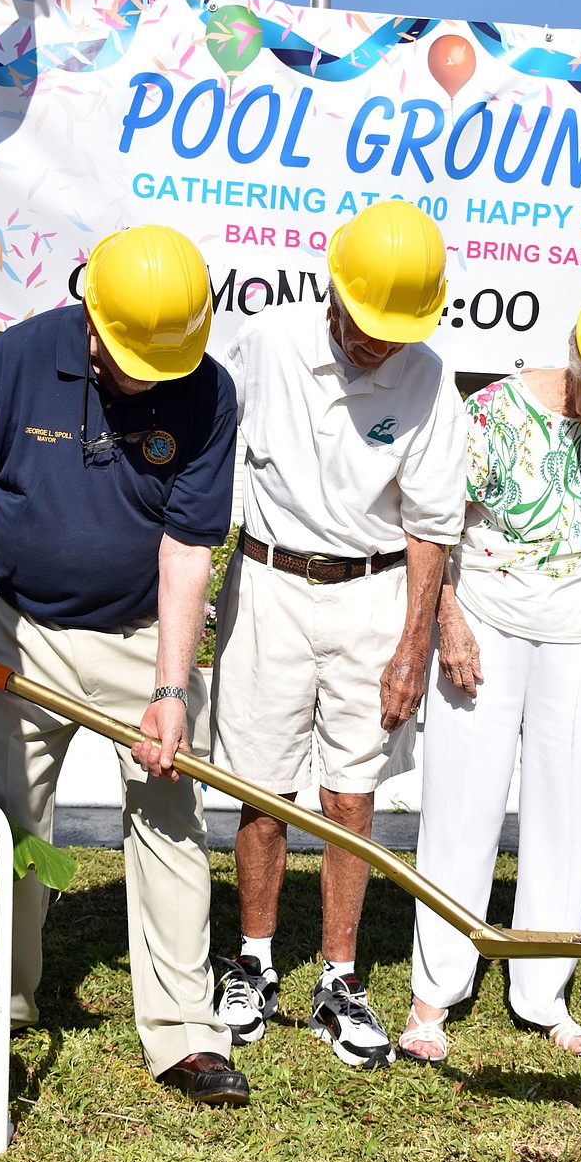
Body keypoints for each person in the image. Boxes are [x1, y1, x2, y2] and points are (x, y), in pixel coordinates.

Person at [0, 224, 250, 1106]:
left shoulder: (207, 389)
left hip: (142, 634)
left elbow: (187, 546)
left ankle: (185, 1032)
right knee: (13, 821)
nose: (148, 379)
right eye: (134, 361)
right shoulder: (21, 359)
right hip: (18, 630)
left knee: (171, 817)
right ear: (91, 316)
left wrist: (171, 689)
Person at [398, 284, 581, 1065]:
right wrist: (447, 622)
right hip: (485, 628)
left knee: (570, 813)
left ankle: (543, 993)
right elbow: (439, 528)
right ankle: (435, 993)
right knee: (463, 808)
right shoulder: (492, 413)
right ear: (576, 355)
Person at [210, 201, 466, 1068]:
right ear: (334, 290)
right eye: (366, 324)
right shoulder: (265, 341)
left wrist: (412, 646)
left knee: (351, 795)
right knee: (262, 788)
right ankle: (253, 963)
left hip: (372, 594)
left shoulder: (429, 378)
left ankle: (340, 978)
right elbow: (212, 442)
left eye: (396, 332)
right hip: (268, 584)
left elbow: (431, 525)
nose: (379, 344)